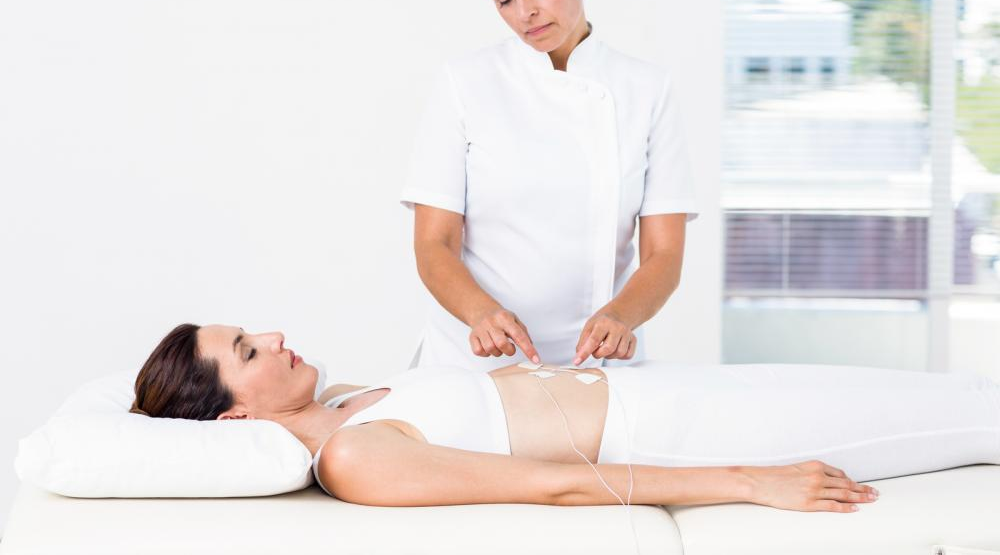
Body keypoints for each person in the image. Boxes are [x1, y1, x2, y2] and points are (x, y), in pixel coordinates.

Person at [131, 324, 1000, 513]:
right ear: (236, 415)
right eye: (248, 349)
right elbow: (553, 483)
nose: (274, 336)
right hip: (696, 433)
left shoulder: (350, 400)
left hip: (682, 386)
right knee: (973, 419)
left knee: (965, 396)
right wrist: (749, 482)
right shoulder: (356, 457)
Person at [400, 0, 700, 371]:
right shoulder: (465, 84)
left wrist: (622, 316)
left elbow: (664, 252)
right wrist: (480, 313)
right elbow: (433, 244)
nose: (525, 12)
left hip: (601, 364)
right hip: (477, 362)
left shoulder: (646, 90)